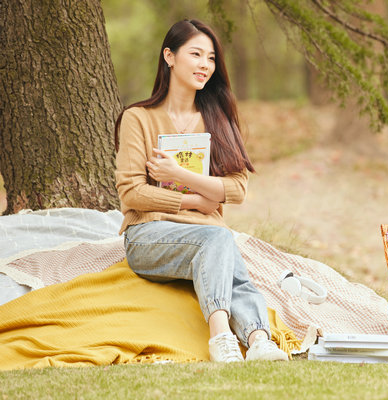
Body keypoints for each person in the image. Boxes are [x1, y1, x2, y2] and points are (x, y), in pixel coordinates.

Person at [114, 19, 288, 363]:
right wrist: (198, 200)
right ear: (169, 56)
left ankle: (258, 339)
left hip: (207, 233)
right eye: (195, 54)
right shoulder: (138, 118)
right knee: (219, 240)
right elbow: (131, 193)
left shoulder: (217, 116)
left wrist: (179, 174)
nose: (205, 65)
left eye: (210, 58)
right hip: (148, 235)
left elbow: (237, 189)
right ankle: (221, 336)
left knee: (223, 250)